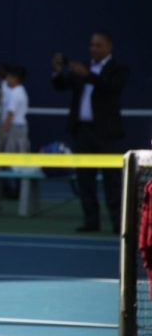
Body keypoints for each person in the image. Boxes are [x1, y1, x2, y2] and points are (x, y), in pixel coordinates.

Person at [51, 30, 128, 233]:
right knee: (85, 180)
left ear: (109, 47)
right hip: (83, 132)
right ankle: (91, 221)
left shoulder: (118, 68)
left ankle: (118, 223)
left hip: (107, 134)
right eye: (91, 45)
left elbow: (111, 87)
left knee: (112, 181)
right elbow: (60, 85)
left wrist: (89, 76)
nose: (93, 48)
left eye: (98, 45)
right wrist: (58, 71)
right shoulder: (83, 68)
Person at [1, 65, 29, 154]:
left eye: (8, 78)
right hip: (19, 127)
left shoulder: (15, 93)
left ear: (15, 79)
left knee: (11, 153)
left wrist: (3, 131)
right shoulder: (20, 90)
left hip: (15, 127)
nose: (6, 80)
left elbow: (10, 114)